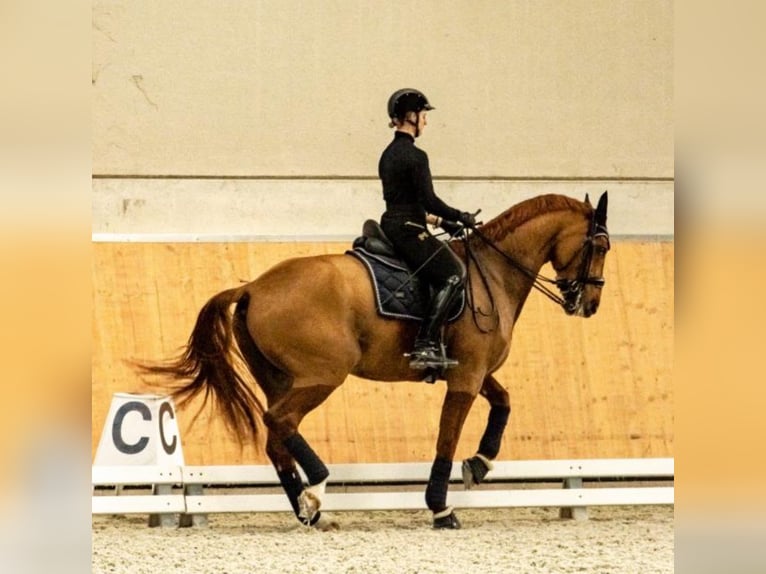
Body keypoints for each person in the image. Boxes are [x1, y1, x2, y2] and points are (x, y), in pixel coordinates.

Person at [378, 88, 477, 370]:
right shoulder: (415, 156)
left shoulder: (387, 154)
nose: (425, 121)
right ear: (411, 116)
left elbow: (403, 201)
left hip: (396, 222)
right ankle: (426, 344)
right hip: (409, 229)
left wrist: (442, 223)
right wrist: (461, 216)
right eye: (423, 115)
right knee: (454, 274)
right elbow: (429, 200)